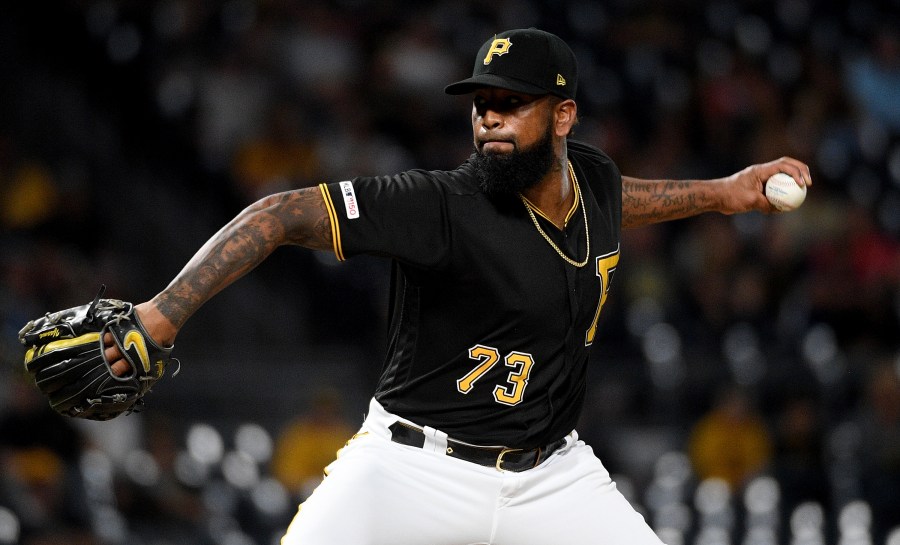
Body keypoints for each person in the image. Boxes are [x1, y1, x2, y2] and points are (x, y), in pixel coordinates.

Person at [103, 28, 811, 544]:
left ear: (563, 116)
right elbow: (281, 213)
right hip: (411, 468)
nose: (490, 117)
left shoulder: (590, 177)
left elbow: (624, 197)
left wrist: (724, 193)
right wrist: (164, 311)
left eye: (513, 102)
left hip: (552, 476)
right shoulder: (440, 205)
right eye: (481, 102)